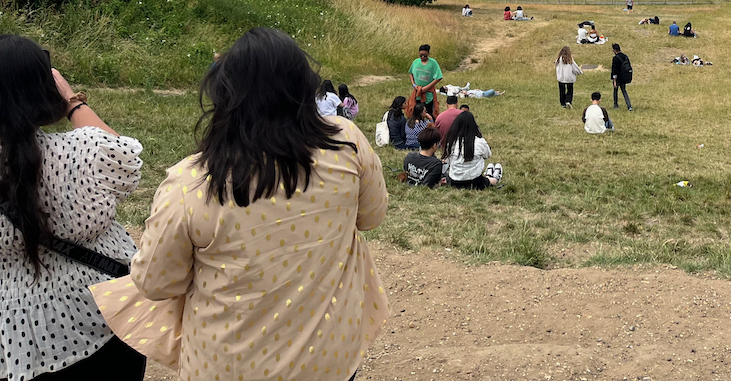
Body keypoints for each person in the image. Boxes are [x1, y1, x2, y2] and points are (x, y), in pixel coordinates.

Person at [125, 27, 388, 381]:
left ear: (223, 97)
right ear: (304, 88)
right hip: (330, 360)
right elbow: (372, 216)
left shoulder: (191, 184)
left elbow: (155, 283)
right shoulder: (346, 144)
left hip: (227, 367)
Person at [0, 35, 146, 380]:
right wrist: (71, 102)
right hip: (104, 318)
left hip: (15, 338)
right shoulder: (83, 151)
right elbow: (123, 155)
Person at [442, 112, 502, 189]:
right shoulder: (479, 141)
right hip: (475, 181)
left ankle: (489, 174)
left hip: (455, 182)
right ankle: (494, 177)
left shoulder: (451, 142)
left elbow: (448, 161)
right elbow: (488, 155)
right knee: (491, 181)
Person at [410, 44, 443, 117]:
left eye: (425, 55)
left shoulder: (433, 63)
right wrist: (414, 85)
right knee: (416, 111)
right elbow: (410, 74)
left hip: (428, 93)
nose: (422, 57)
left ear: (428, 54)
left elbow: (438, 77)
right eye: (421, 55)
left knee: (428, 111)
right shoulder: (416, 62)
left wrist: (426, 88)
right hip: (417, 91)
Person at [610, 43, 634, 111]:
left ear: (614, 50)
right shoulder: (625, 56)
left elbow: (615, 70)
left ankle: (615, 104)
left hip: (618, 78)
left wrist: (614, 80)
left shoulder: (615, 58)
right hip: (624, 77)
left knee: (615, 91)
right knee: (624, 91)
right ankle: (629, 105)